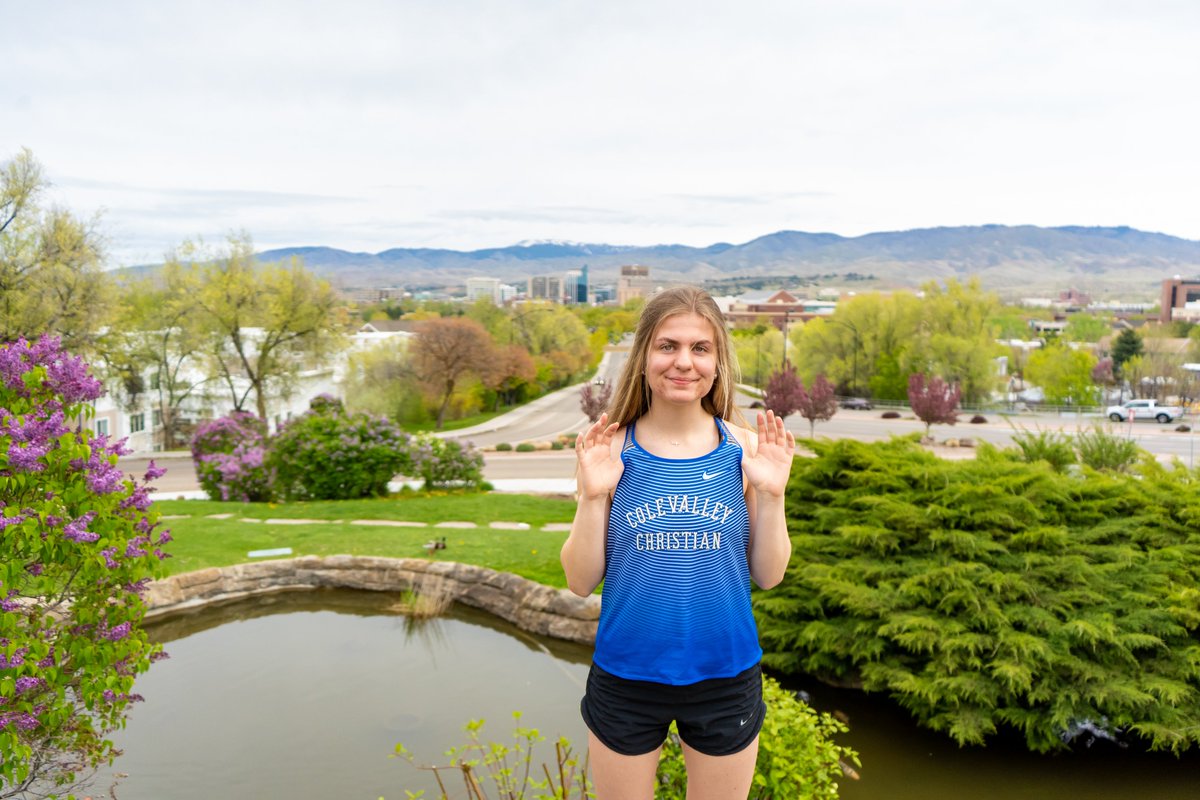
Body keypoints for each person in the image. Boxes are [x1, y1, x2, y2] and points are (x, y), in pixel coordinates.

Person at [561, 286, 795, 800]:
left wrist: (772, 495)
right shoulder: (609, 451)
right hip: (626, 677)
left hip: (725, 676)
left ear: (718, 361)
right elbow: (579, 581)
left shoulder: (745, 449)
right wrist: (594, 496)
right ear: (643, 355)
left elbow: (770, 574)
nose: (683, 362)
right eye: (667, 346)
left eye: (700, 348)